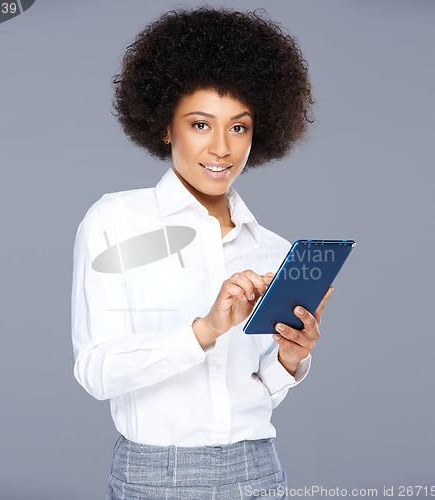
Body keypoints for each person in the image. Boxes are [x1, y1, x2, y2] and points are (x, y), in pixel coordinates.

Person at [71, 7, 333, 499]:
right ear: (165, 127)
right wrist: (206, 329)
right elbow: (96, 371)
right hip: (155, 476)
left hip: (259, 470)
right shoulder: (116, 222)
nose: (221, 148)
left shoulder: (273, 249)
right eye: (199, 124)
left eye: (239, 127)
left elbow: (260, 391)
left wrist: (290, 360)